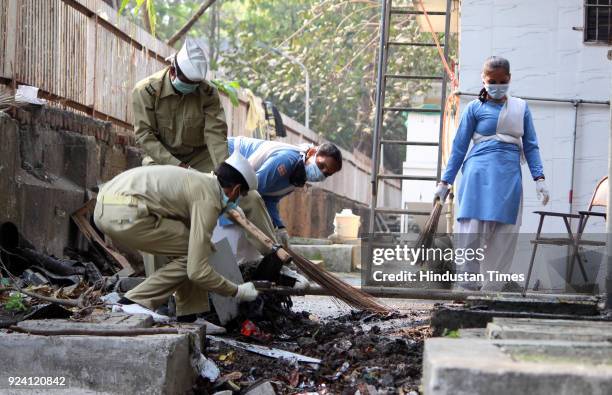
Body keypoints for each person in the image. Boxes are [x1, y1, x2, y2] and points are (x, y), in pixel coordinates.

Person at [93, 152, 282, 322]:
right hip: (125, 213)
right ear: (234, 190)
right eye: (241, 195)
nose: (238, 199)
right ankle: (134, 301)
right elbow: (197, 271)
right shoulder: (208, 198)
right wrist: (237, 290)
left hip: (105, 206)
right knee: (194, 257)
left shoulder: (200, 182)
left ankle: (189, 315)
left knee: (193, 248)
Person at [434, 56, 550, 291]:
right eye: (492, 81)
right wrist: (445, 182)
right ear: (483, 80)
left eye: (502, 81)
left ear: (509, 79)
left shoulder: (520, 108)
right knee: (472, 235)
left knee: (504, 237)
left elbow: (531, 145)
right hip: (477, 176)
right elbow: (459, 147)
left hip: (508, 178)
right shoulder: (474, 109)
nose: (497, 85)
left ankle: (491, 292)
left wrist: (539, 179)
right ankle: (467, 290)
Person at [132, 37, 227, 172]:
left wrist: (224, 170)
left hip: (200, 159)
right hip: (162, 158)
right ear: (172, 71)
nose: (192, 88)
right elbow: (144, 135)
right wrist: (178, 166)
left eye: (196, 84)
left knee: (218, 183)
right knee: (159, 183)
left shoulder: (208, 93)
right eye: (188, 83)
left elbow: (215, 133)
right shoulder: (146, 91)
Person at [225, 136, 343, 246]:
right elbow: (252, 190)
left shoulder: (298, 176)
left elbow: (270, 199)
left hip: (240, 180)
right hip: (225, 154)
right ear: (312, 153)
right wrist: (270, 236)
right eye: (321, 165)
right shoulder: (287, 160)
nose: (322, 172)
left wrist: (280, 228)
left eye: (327, 173)